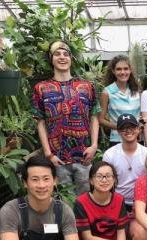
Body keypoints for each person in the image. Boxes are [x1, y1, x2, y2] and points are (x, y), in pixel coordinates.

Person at [32, 40, 100, 194]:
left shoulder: (86, 86)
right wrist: (48, 153)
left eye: (66, 54)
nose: (62, 57)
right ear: (51, 59)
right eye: (57, 54)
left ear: (71, 59)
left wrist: (94, 146)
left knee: (85, 201)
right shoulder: (41, 88)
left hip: (84, 156)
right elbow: (40, 122)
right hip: (58, 158)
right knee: (63, 203)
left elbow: (94, 117)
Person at [102, 113, 147, 215]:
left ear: (138, 129)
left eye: (132, 127)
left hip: (142, 202)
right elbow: (106, 182)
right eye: (124, 128)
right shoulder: (110, 154)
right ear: (118, 132)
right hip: (117, 202)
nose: (128, 131)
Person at [99, 55, 141, 148]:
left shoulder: (137, 91)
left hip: (137, 139)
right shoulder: (107, 92)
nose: (123, 72)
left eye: (126, 68)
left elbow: (143, 117)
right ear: (113, 71)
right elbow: (101, 120)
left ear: (130, 70)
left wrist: (138, 128)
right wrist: (120, 127)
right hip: (117, 140)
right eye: (118, 69)